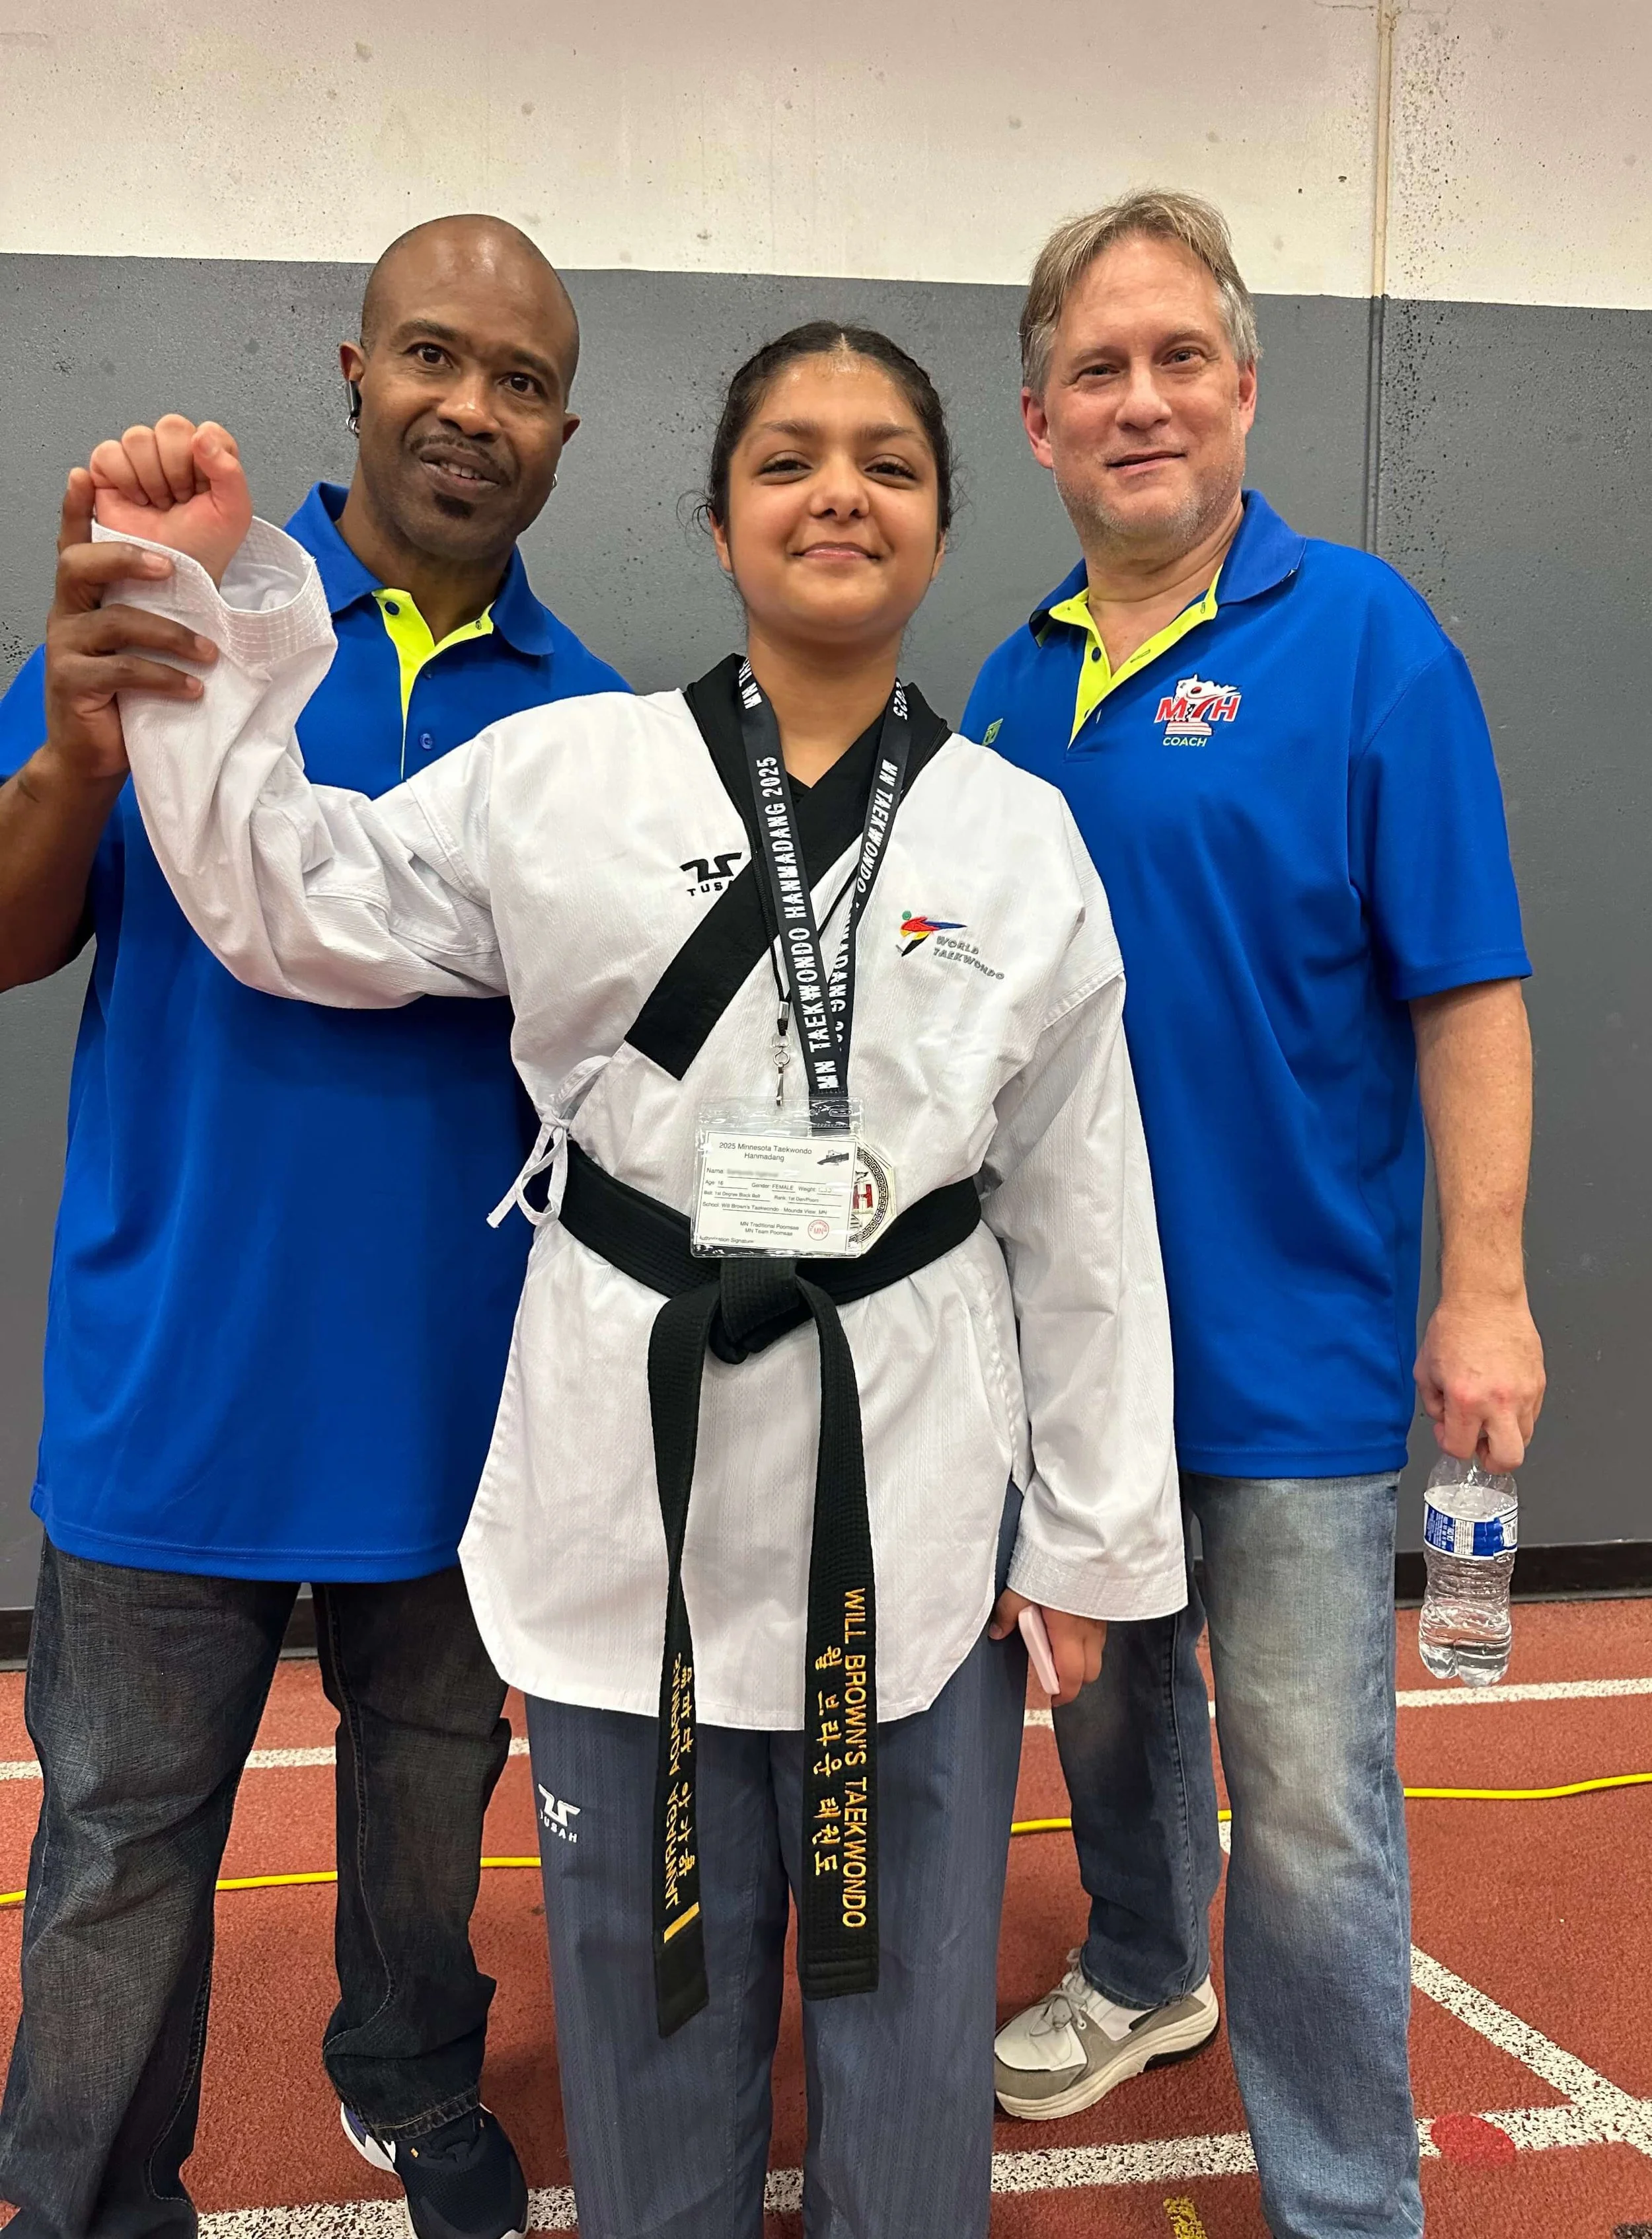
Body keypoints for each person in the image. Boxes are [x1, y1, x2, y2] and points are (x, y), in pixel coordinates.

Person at [63, 323, 1186, 2239]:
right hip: (625, 1475)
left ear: (937, 522)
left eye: (888, 464)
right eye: (789, 458)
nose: (839, 490)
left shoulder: (1022, 839)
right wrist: (209, 595)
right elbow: (283, 888)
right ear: (720, 513)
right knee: (640, 1974)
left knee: (907, 2001)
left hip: (903, 1470)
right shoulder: (560, 776)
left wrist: (1086, 1537)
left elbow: (1080, 1212)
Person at [0, 215, 627, 2239]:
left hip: (458, 1402)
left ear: (562, 431)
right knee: (114, 1847)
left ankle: (410, 2065)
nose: (472, 406)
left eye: (519, 380)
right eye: (433, 356)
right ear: (350, 370)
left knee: (426, 1800)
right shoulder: (165, 628)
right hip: (174, 1373)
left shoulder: (595, 730)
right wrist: (82, 757)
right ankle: (83, 2193)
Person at [969, 191, 1544, 2239]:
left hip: (1291, 1346)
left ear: (1240, 389)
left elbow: (1464, 986)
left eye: (1176, 360)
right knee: (1113, 1718)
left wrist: (1478, 1287)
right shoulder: (1008, 681)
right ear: (1037, 421)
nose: (1141, 403)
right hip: (1062, 1350)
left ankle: (1338, 2197)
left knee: (1304, 1805)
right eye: (1096, 372)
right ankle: (1140, 1962)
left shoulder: (1368, 638)